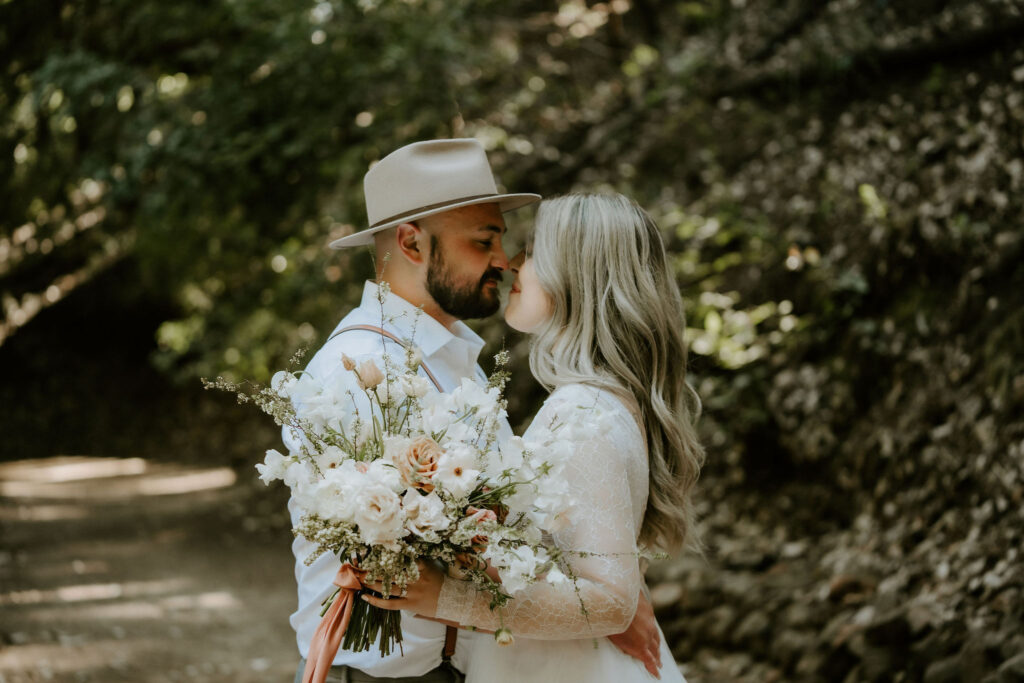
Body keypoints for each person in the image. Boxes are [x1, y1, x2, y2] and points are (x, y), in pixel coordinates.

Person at [288, 141, 666, 683]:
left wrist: (605, 590)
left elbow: (521, 521)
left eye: (503, 240)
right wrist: (596, 604)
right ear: (411, 242)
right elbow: (383, 549)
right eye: (483, 241)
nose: (502, 261)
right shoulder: (355, 372)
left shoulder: (457, 359)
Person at [362, 192, 704, 682]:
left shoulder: (584, 411)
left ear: (579, 276)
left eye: (536, 249)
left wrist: (450, 597)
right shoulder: (597, 401)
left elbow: (611, 602)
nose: (515, 262)